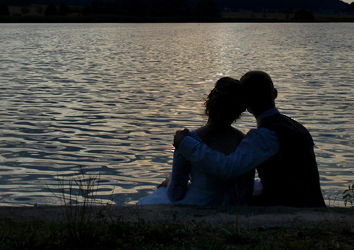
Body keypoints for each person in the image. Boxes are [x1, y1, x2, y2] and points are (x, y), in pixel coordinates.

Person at [173, 71, 325, 207]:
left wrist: (185, 143)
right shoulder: (296, 127)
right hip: (313, 203)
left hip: (291, 209)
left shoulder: (266, 136)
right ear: (274, 93)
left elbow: (227, 168)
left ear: (246, 104)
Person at [137, 77, 255, 205]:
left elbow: (175, 193)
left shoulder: (188, 140)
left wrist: (168, 181)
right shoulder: (244, 141)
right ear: (238, 111)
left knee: (155, 197)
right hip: (231, 205)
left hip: (198, 203)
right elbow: (246, 191)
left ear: (209, 103)